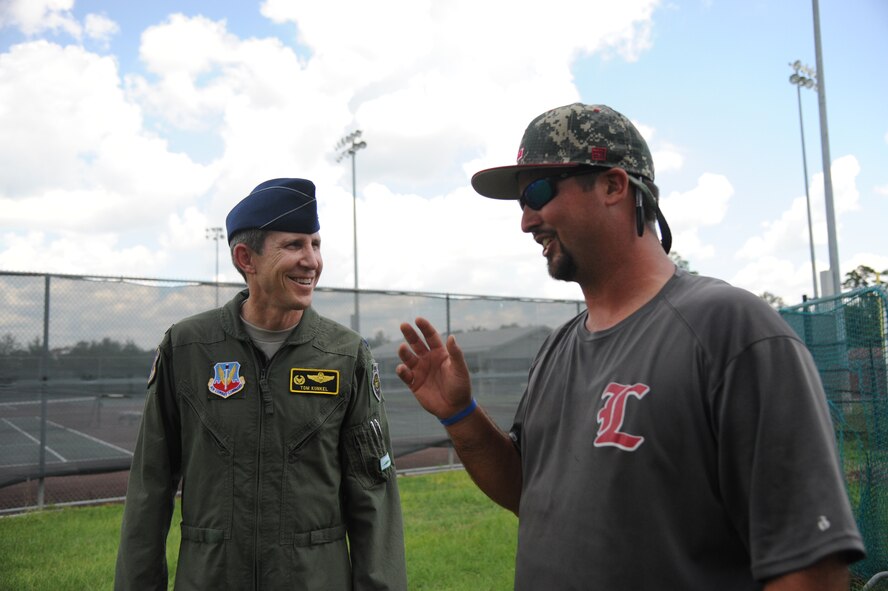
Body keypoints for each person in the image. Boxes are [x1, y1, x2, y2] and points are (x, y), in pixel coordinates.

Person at [396, 103, 865, 590]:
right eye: (521, 203)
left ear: (614, 186)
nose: (526, 221)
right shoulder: (557, 349)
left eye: (538, 191)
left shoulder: (731, 329)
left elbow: (811, 568)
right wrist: (459, 415)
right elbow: (527, 492)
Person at [115, 178, 407, 590]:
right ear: (245, 257)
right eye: (294, 245)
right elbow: (150, 487)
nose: (312, 261)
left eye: (316, 244)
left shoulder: (346, 355)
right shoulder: (188, 349)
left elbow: (373, 499)